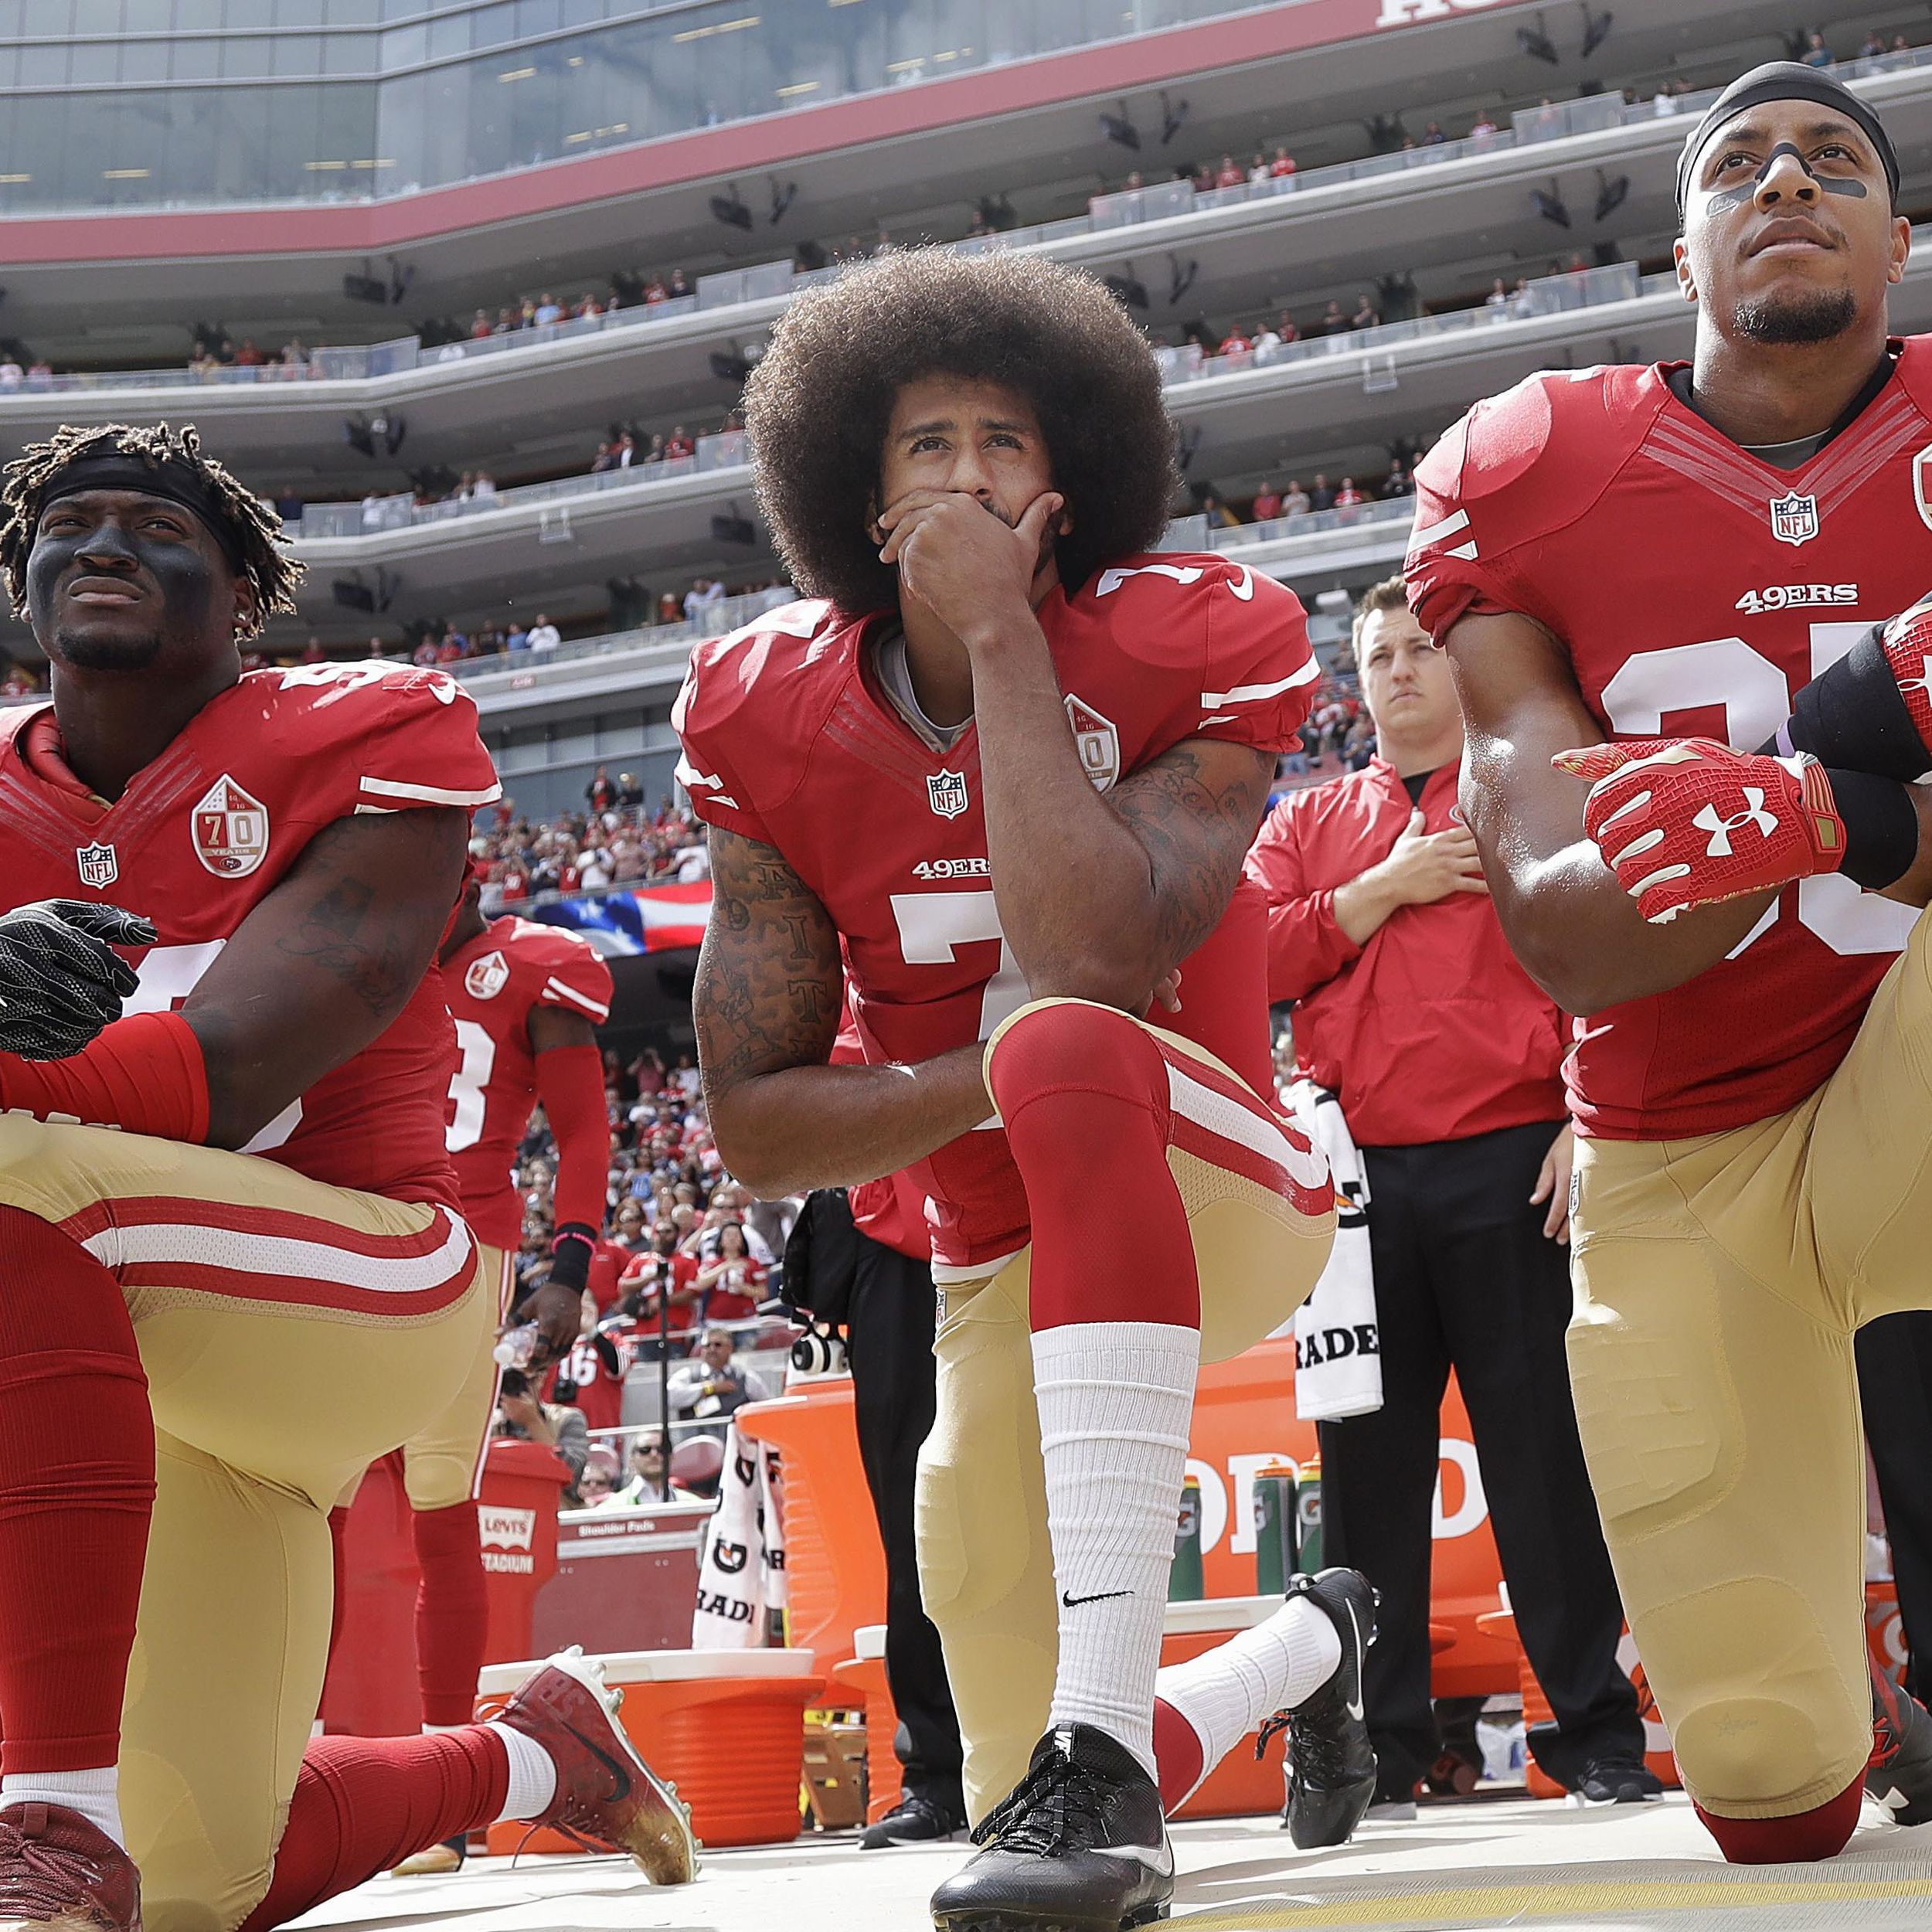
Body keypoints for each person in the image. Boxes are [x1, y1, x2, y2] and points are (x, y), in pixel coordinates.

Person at [675, 250, 1372, 1932]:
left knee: (1058, 1037)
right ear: (855, 489)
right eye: (926, 443)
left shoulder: (1192, 633)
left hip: (1216, 1181)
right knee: (1033, 1778)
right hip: (992, 1251)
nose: (967, 472)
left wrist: (995, 631)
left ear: (1065, 494)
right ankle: (1303, 1646)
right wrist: (962, 1092)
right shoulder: (764, 707)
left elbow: (1087, 946)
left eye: (1003, 440)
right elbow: (759, 1124)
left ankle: (1141, 1735)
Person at [0, 423, 694, 1930]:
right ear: (20, 577)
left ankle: (53, 1813)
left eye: (157, 526)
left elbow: (240, 1060)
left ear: (246, 593)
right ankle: (530, 1754)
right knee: (197, 1882)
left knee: (16, 1170)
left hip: (365, 1279)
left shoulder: (370, 727)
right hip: (126, 1357)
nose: (105, 544)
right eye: (69, 523)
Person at [1404, 63, 1932, 1863]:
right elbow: (1565, 922)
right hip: (1684, 1134)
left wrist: (1821, 817)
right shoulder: (1536, 466)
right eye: (1740, 163)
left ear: (1897, 233)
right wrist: (1859, 752)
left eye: (1836, 157)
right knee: (1774, 1783)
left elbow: (1787, 836)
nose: (1787, 175)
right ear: (1683, 243)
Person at [1245, 580, 1651, 1811]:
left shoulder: (1529, 786)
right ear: (1354, 682)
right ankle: (1381, 1746)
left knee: (1543, 1464)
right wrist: (1382, 889)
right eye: (1382, 655)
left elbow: (1612, 946)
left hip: (1510, 1159)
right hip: (1356, 1192)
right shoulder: (1311, 819)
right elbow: (1242, 955)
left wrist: (1586, 1111)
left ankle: (1594, 1736)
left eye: (1425, 648)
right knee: (1364, 1477)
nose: (1405, 670)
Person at [378, 869, 613, 1874]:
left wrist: (570, 1264)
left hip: (469, 1237)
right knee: (319, 1497)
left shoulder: (532, 966)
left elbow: (586, 1129)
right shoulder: (365, 956)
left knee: (441, 1498)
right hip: (358, 1221)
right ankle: (317, 1762)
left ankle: (446, 1791)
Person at [665, 1325, 773, 1427]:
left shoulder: (746, 1377)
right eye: (707, 1346)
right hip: (696, 1442)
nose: (712, 1349)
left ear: (730, 1348)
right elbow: (669, 1397)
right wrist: (710, 1388)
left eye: (718, 1345)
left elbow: (767, 1407)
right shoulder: (688, 1374)